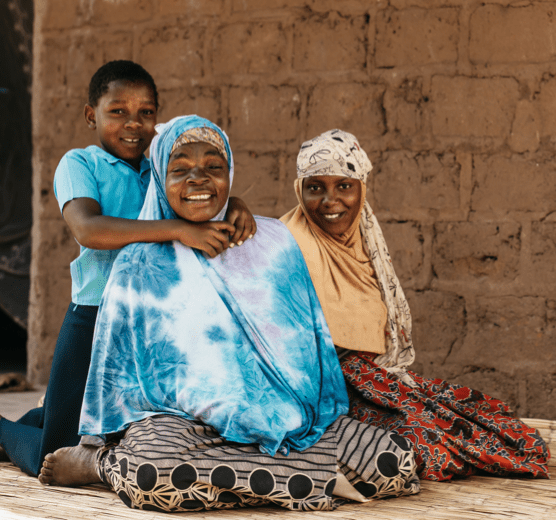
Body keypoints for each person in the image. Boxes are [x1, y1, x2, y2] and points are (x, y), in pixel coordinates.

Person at [37, 116, 421, 512]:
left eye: (214, 168)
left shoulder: (271, 243)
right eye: (180, 169)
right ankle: (101, 464)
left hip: (279, 418)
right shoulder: (138, 262)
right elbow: (116, 377)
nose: (199, 179)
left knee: (392, 460)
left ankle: (295, 475)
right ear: (159, 176)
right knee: (155, 471)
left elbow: (304, 352)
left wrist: (274, 408)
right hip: (179, 425)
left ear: (231, 174)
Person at [0, 61, 257, 477]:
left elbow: (201, 186)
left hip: (148, 321)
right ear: (91, 114)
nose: (134, 124)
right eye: (118, 111)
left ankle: (48, 413)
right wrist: (179, 230)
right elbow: (88, 228)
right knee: (52, 457)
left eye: (146, 113)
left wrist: (232, 204)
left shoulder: (162, 167)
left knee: (116, 429)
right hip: (93, 318)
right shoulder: (80, 165)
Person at [280, 129, 551, 481]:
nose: (331, 201)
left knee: (500, 428)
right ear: (300, 190)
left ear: (362, 188)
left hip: (373, 377)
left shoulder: (365, 240)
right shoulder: (285, 245)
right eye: (315, 187)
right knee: (423, 441)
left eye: (344, 186)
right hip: (318, 391)